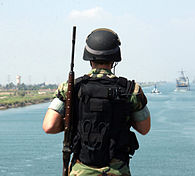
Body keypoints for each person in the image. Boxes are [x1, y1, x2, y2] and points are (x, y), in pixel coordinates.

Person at [43, 28, 151, 176]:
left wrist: (74, 122)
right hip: (117, 170)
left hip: (81, 170)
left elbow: (49, 126)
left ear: (89, 57)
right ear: (115, 58)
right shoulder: (131, 90)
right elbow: (144, 128)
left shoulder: (70, 88)